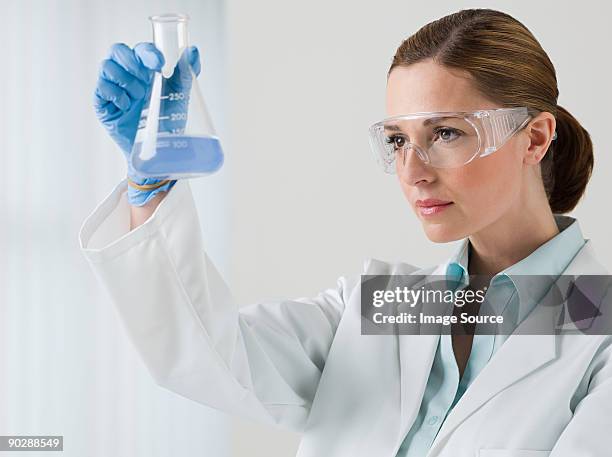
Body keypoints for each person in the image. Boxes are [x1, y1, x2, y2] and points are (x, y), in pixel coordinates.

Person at [79, 8, 612, 457]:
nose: (413, 170)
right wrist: (150, 184)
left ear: (536, 138)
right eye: (398, 140)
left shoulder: (599, 324)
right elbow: (209, 357)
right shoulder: (392, 306)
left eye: (446, 132)